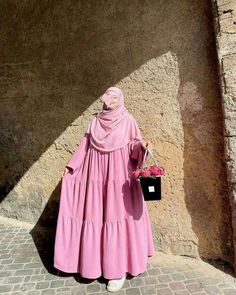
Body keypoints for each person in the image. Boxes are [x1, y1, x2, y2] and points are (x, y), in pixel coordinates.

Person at [54, 86, 155, 292]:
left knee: (115, 218)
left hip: (118, 179)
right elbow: (84, 146)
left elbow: (134, 145)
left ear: (121, 100)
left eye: (116, 97)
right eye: (110, 97)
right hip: (95, 175)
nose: (112, 100)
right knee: (96, 217)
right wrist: (71, 166)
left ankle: (117, 271)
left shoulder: (128, 120)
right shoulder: (95, 121)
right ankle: (94, 265)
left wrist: (143, 146)